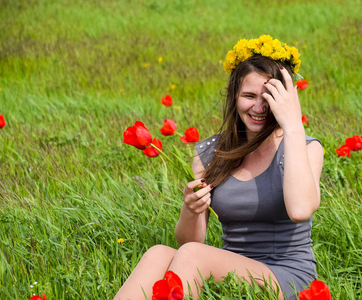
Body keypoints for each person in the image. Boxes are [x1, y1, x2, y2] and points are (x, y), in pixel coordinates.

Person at [114, 35, 324, 300]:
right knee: (158, 253)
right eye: (248, 96)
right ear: (234, 97)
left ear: (284, 100)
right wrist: (191, 209)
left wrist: (293, 124)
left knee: (191, 257)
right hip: (229, 272)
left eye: (268, 98)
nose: (258, 107)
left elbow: (300, 209)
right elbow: (190, 243)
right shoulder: (211, 154)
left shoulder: (304, 147)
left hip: (285, 278)